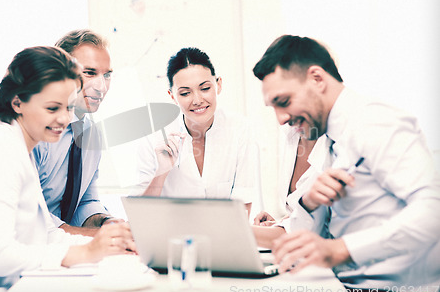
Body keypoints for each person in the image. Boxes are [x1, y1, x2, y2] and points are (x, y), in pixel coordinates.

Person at [252, 35, 440, 292]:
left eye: (283, 102)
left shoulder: (373, 121)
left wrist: (341, 249)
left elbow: (433, 211)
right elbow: (314, 235)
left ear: (317, 79)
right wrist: (309, 201)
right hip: (348, 287)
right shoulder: (329, 135)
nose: (281, 118)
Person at [0, 46, 135, 292]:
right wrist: (85, 252)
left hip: (5, 286)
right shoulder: (1, 150)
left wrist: (109, 244)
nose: (65, 120)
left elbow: (48, 236)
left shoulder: (21, 150)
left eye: (68, 108)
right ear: (18, 102)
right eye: (53, 109)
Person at [134, 47, 259, 215]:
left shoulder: (240, 129)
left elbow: (243, 204)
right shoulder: (154, 136)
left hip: (224, 235)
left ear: (218, 85)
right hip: (171, 236)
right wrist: (162, 171)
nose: (198, 100)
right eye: (185, 93)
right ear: (173, 96)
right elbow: (140, 215)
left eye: (205, 88)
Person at [33, 30, 122, 237]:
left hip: (60, 247)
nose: (102, 86)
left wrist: (106, 222)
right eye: (90, 73)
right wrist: (83, 236)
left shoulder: (92, 134)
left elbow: (84, 201)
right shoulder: (36, 130)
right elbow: (28, 209)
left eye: (107, 75)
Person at [253, 126, 326, 226]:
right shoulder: (291, 135)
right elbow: (298, 217)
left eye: (284, 108)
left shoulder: (337, 147)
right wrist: (278, 224)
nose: (282, 119)